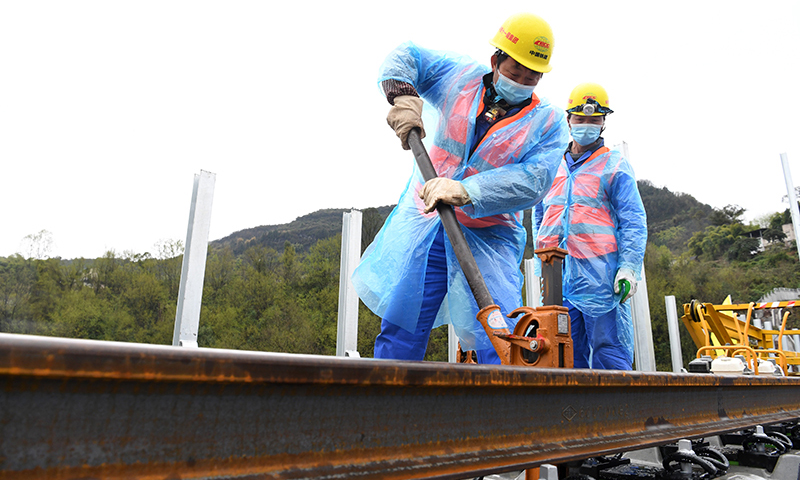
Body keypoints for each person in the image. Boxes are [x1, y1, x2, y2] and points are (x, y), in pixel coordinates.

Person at [351, 13, 569, 363]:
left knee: (501, 337)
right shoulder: (459, 78)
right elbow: (408, 57)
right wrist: (404, 95)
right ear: (496, 60)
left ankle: (501, 411)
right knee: (404, 323)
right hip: (431, 224)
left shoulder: (548, 122)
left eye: (532, 77)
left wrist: (468, 191)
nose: (522, 82)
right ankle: (386, 403)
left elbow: (535, 179)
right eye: (515, 72)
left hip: (489, 238)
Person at [534, 82, 647, 370]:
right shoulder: (550, 165)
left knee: (609, 353)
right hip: (556, 277)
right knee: (562, 355)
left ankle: (618, 413)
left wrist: (629, 268)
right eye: (580, 118)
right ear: (568, 119)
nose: (587, 124)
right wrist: (540, 263)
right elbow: (540, 216)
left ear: (603, 122)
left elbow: (633, 221)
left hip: (601, 279)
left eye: (594, 119)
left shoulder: (614, 165)